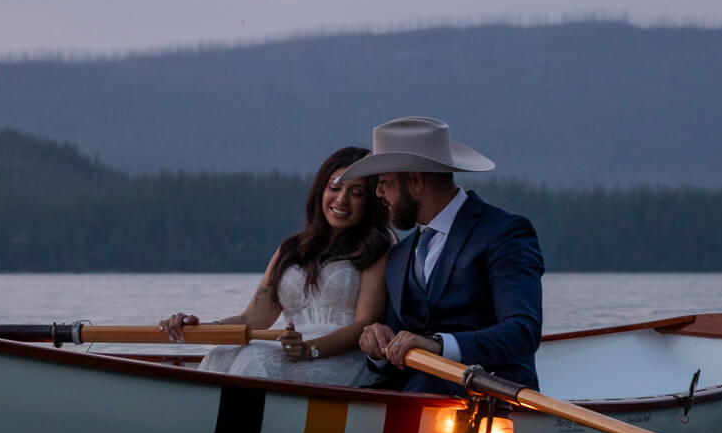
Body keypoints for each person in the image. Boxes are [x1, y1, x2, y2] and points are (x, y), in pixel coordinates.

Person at [340, 117, 544, 395]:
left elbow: (522, 331)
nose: (378, 193)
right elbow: (399, 349)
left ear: (415, 181)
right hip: (413, 400)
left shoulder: (504, 232)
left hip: (494, 401)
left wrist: (439, 345)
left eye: (384, 182)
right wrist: (379, 347)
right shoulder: (399, 255)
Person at [160, 145, 392, 384]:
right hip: (293, 352)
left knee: (256, 356)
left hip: (342, 359)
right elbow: (252, 320)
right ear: (321, 190)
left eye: (356, 193)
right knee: (222, 356)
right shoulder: (292, 249)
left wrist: (310, 349)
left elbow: (366, 323)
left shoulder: (377, 246)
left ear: (371, 201)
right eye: (334, 187)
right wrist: (196, 327)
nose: (341, 199)